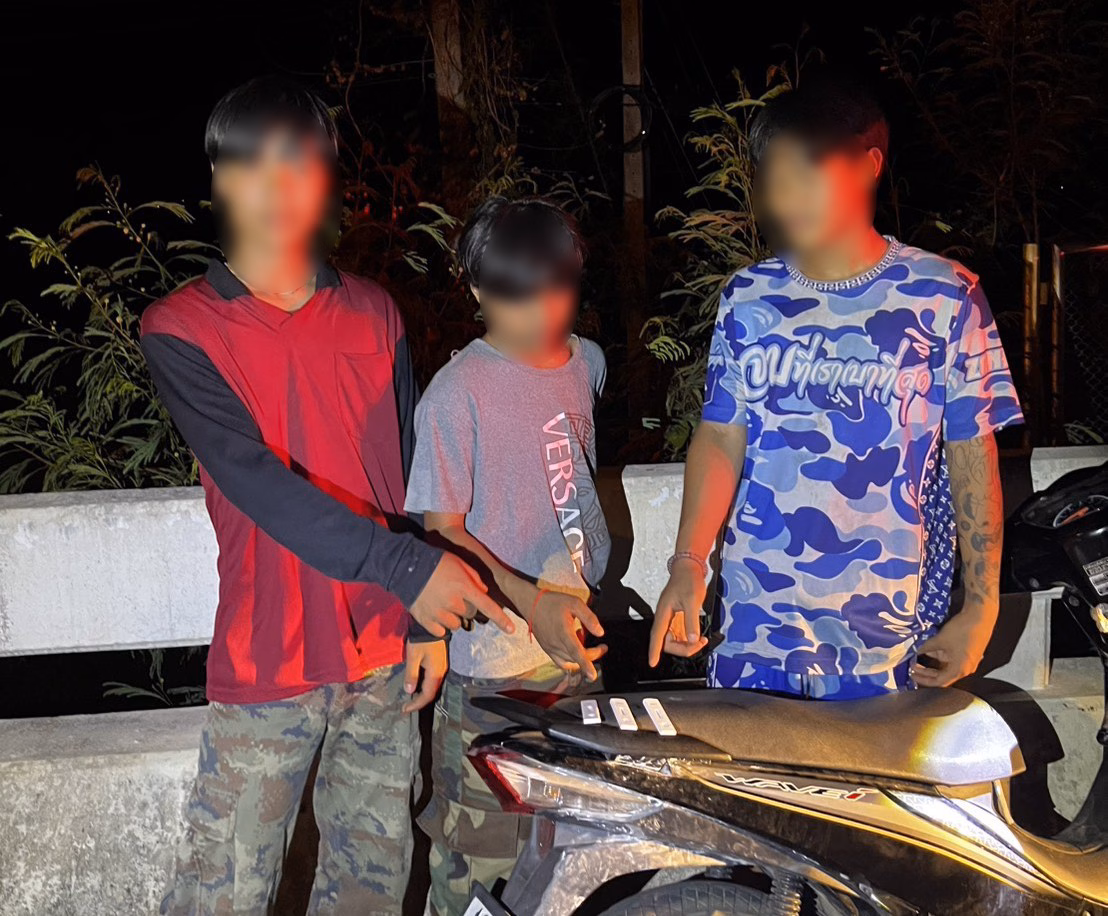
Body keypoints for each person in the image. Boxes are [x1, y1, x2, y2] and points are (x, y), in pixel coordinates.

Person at [141, 75, 512, 916]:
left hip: (385, 659)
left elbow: (412, 473)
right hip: (267, 659)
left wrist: (422, 619)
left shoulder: (375, 312)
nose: (277, 187)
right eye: (252, 165)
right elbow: (256, 481)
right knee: (222, 894)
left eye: (299, 163)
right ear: (219, 179)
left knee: (368, 891)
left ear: (328, 178)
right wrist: (410, 571)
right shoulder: (181, 327)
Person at [649, 77, 1023, 699]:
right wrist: (688, 564)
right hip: (754, 631)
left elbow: (971, 451)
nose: (785, 196)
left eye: (806, 173)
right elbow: (720, 434)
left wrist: (982, 608)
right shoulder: (748, 297)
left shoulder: (946, 295)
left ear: (869, 164)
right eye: (774, 177)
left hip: (890, 640)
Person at [404, 197, 611, 915]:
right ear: (476, 290)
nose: (540, 313)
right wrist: (533, 604)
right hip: (492, 670)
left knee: (567, 858)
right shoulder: (455, 396)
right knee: (478, 864)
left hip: (574, 655)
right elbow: (443, 532)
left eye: (557, 290)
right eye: (517, 297)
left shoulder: (586, 362)